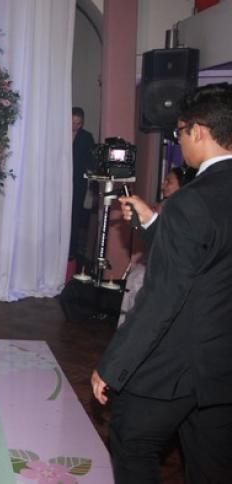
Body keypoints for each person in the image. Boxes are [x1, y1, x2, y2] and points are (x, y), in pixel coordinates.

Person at [92, 83, 232, 483]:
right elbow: (212, 256)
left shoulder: (192, 200)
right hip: (223, 366)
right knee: (213, 466)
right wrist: (155, 222)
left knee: (132, 443)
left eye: (179, 132)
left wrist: (113, 366)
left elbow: (163, 296)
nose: (179, 141)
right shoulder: (199, 203)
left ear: (198, 132)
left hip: (178, 364)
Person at [116, 165, 196, 327]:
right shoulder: (161, 205)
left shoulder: (186, 209)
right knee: (135, 278)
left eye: (169, 182)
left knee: (139, 280)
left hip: (171, 268)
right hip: (156, 260)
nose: (163, 185)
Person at [70, 107, 95, 268]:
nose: (75, 126)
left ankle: (71, 251)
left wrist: (91, 173)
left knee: (74, 217)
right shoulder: (59, 134)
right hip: (58, 182)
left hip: (78, 184)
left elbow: (91, 160)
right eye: (72, 122)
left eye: (78, 123)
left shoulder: (86, 137)